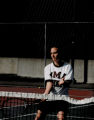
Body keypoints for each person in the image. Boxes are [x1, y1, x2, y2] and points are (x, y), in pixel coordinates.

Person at [35, 46, 73, 120]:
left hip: (62, 98)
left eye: (55, 53)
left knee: (61, 117)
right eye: (51, 53)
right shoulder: (47, 68)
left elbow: (68, 82)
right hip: (49, 97)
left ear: (59, 53)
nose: (52, 55)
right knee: (38, 116)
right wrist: (45, 95)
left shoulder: (68, 67)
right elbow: (49, 83)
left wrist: (64, 82)